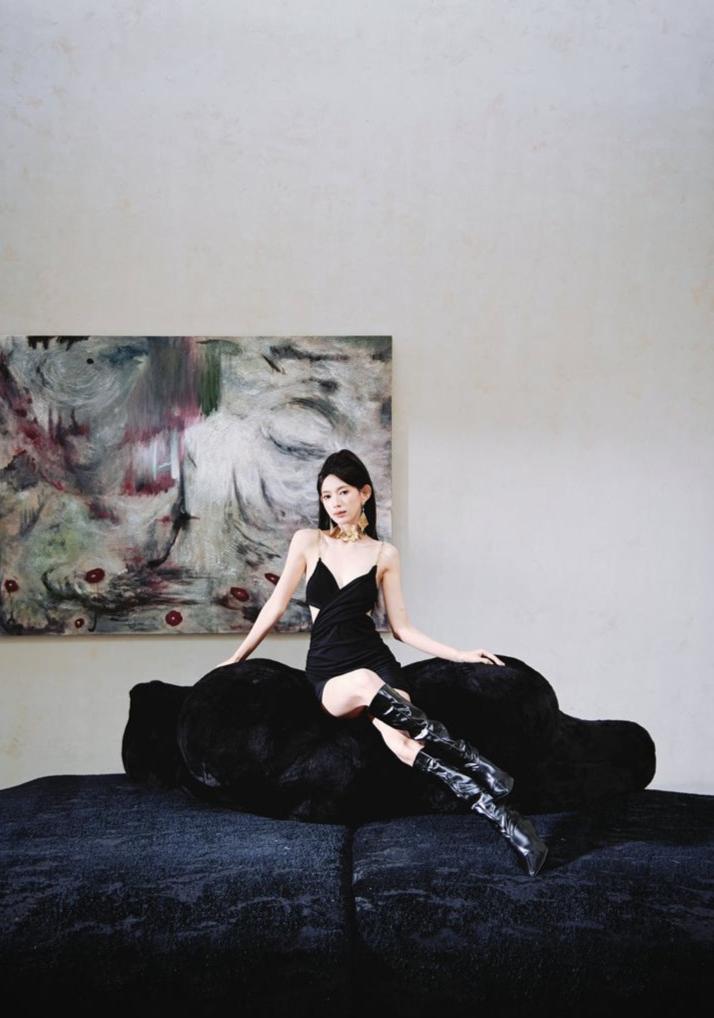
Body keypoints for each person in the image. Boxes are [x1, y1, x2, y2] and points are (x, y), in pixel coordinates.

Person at [217, 449, 548, 877]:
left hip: (377, 662)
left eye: (343, 492)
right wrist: (237, 656)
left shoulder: (384, 554)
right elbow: (275, 606)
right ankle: (470, 756)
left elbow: (402, 629)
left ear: (364, 493)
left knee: (405, 745)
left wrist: (461, 653)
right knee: (363, 682)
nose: (334, 503)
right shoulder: (308, 541)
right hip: (331, 672)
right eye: (326, 495)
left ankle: (511, 824)